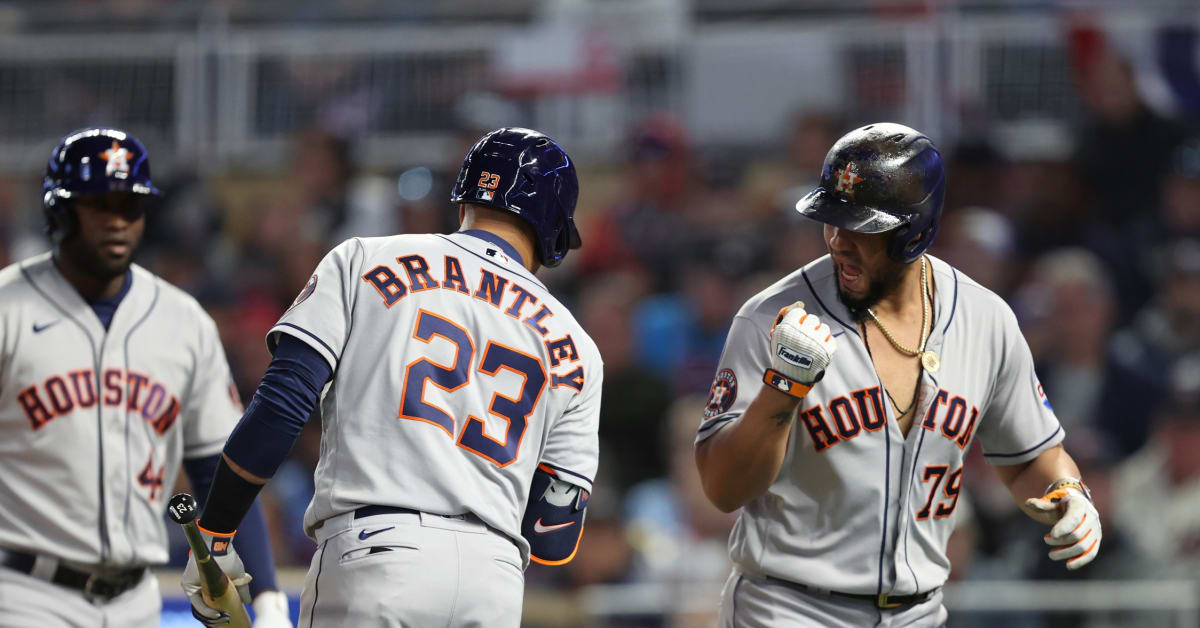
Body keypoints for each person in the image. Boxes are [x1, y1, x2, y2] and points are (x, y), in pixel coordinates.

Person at [186, 127, 602, 627]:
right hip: (493, 582)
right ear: (554, 231)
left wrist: (216, 532)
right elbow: (552, 535)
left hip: (377, 554)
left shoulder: (365, 257)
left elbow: (281, 407)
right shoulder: (578, 347)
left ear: (464, 196)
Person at [694, 123, 1103, 627]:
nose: (837, 242)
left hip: (920, 612)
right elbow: (723, 488)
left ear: (916, 231)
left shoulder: (985, 319)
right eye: (831, 221)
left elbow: (1029, 459)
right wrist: (783, 390)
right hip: (791, 607)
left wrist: (1069, 493)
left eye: (860, 228)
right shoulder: (770, 318)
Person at [0, 127, 289, 627]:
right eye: (99, 204)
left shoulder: (181, 319)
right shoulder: (8, 308)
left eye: (130, 205)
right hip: (24, 595)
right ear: (58, 211)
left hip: (136, 598)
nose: (117, 221)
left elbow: (220, 472)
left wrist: (266, 598)